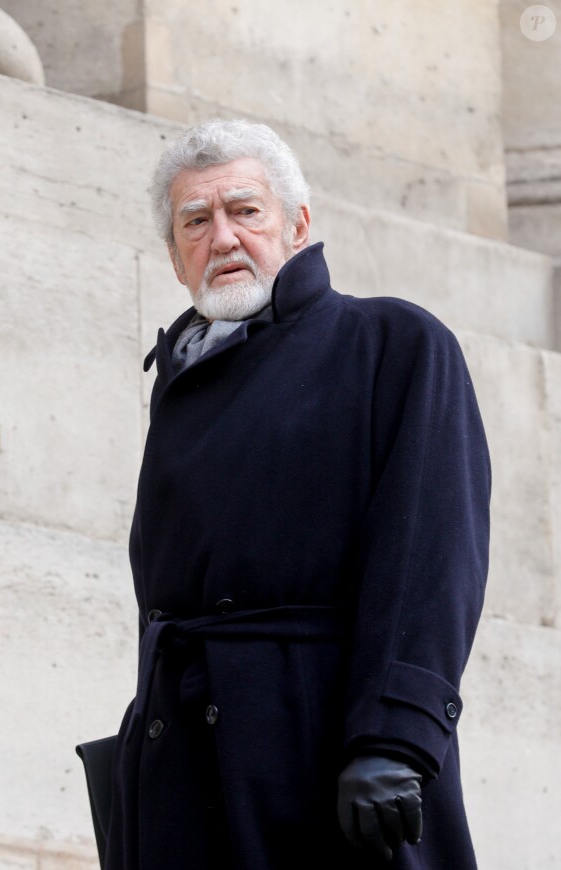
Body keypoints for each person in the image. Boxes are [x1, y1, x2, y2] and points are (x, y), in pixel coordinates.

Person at [104, 118, 491, 870]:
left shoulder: (393, 343)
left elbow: (432, 557)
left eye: (245, 211)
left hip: (323, 756)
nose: (222, 238)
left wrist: (394, 737)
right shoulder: (177, 379)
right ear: (176, 255)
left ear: (297, 225)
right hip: (178, 765)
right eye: (196, 221)